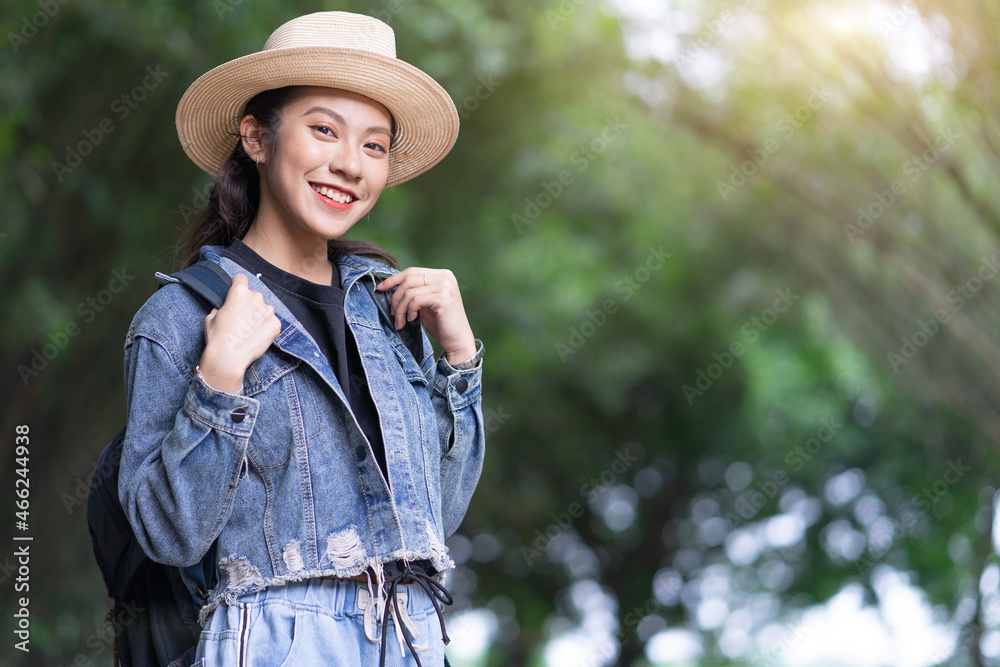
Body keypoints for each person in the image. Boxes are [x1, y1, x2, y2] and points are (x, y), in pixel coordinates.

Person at [117, 11, 485, 666]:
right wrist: (219, 379)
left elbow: (437, 517)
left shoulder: (388, 313)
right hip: (281, 642)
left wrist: (459, 362)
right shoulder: (178, 316)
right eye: (324, 130)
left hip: (413, 636)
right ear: (256, 138)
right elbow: (167, 534)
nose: (350, 164)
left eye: (374, 146)